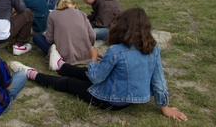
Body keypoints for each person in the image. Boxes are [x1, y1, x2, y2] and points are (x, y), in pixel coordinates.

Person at [11, 7, 188, 121]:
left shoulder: (116, 50)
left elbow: (95, 78)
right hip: (130, 99)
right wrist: (164, 107)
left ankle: (29, 73)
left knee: (68, 83)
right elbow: (159, 79)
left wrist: (93, 57)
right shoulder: (153, 48)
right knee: (83, 72)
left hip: (110, 99)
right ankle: (60, 66)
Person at [32, 0, 95, 68]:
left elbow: (49, 39)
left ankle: (57, 56)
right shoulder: (82, 14)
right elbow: (92, 35)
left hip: (64, 54)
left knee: (37, 37)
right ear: (74, 5)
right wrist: (89, 46)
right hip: (85, 53)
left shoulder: (53, 14)